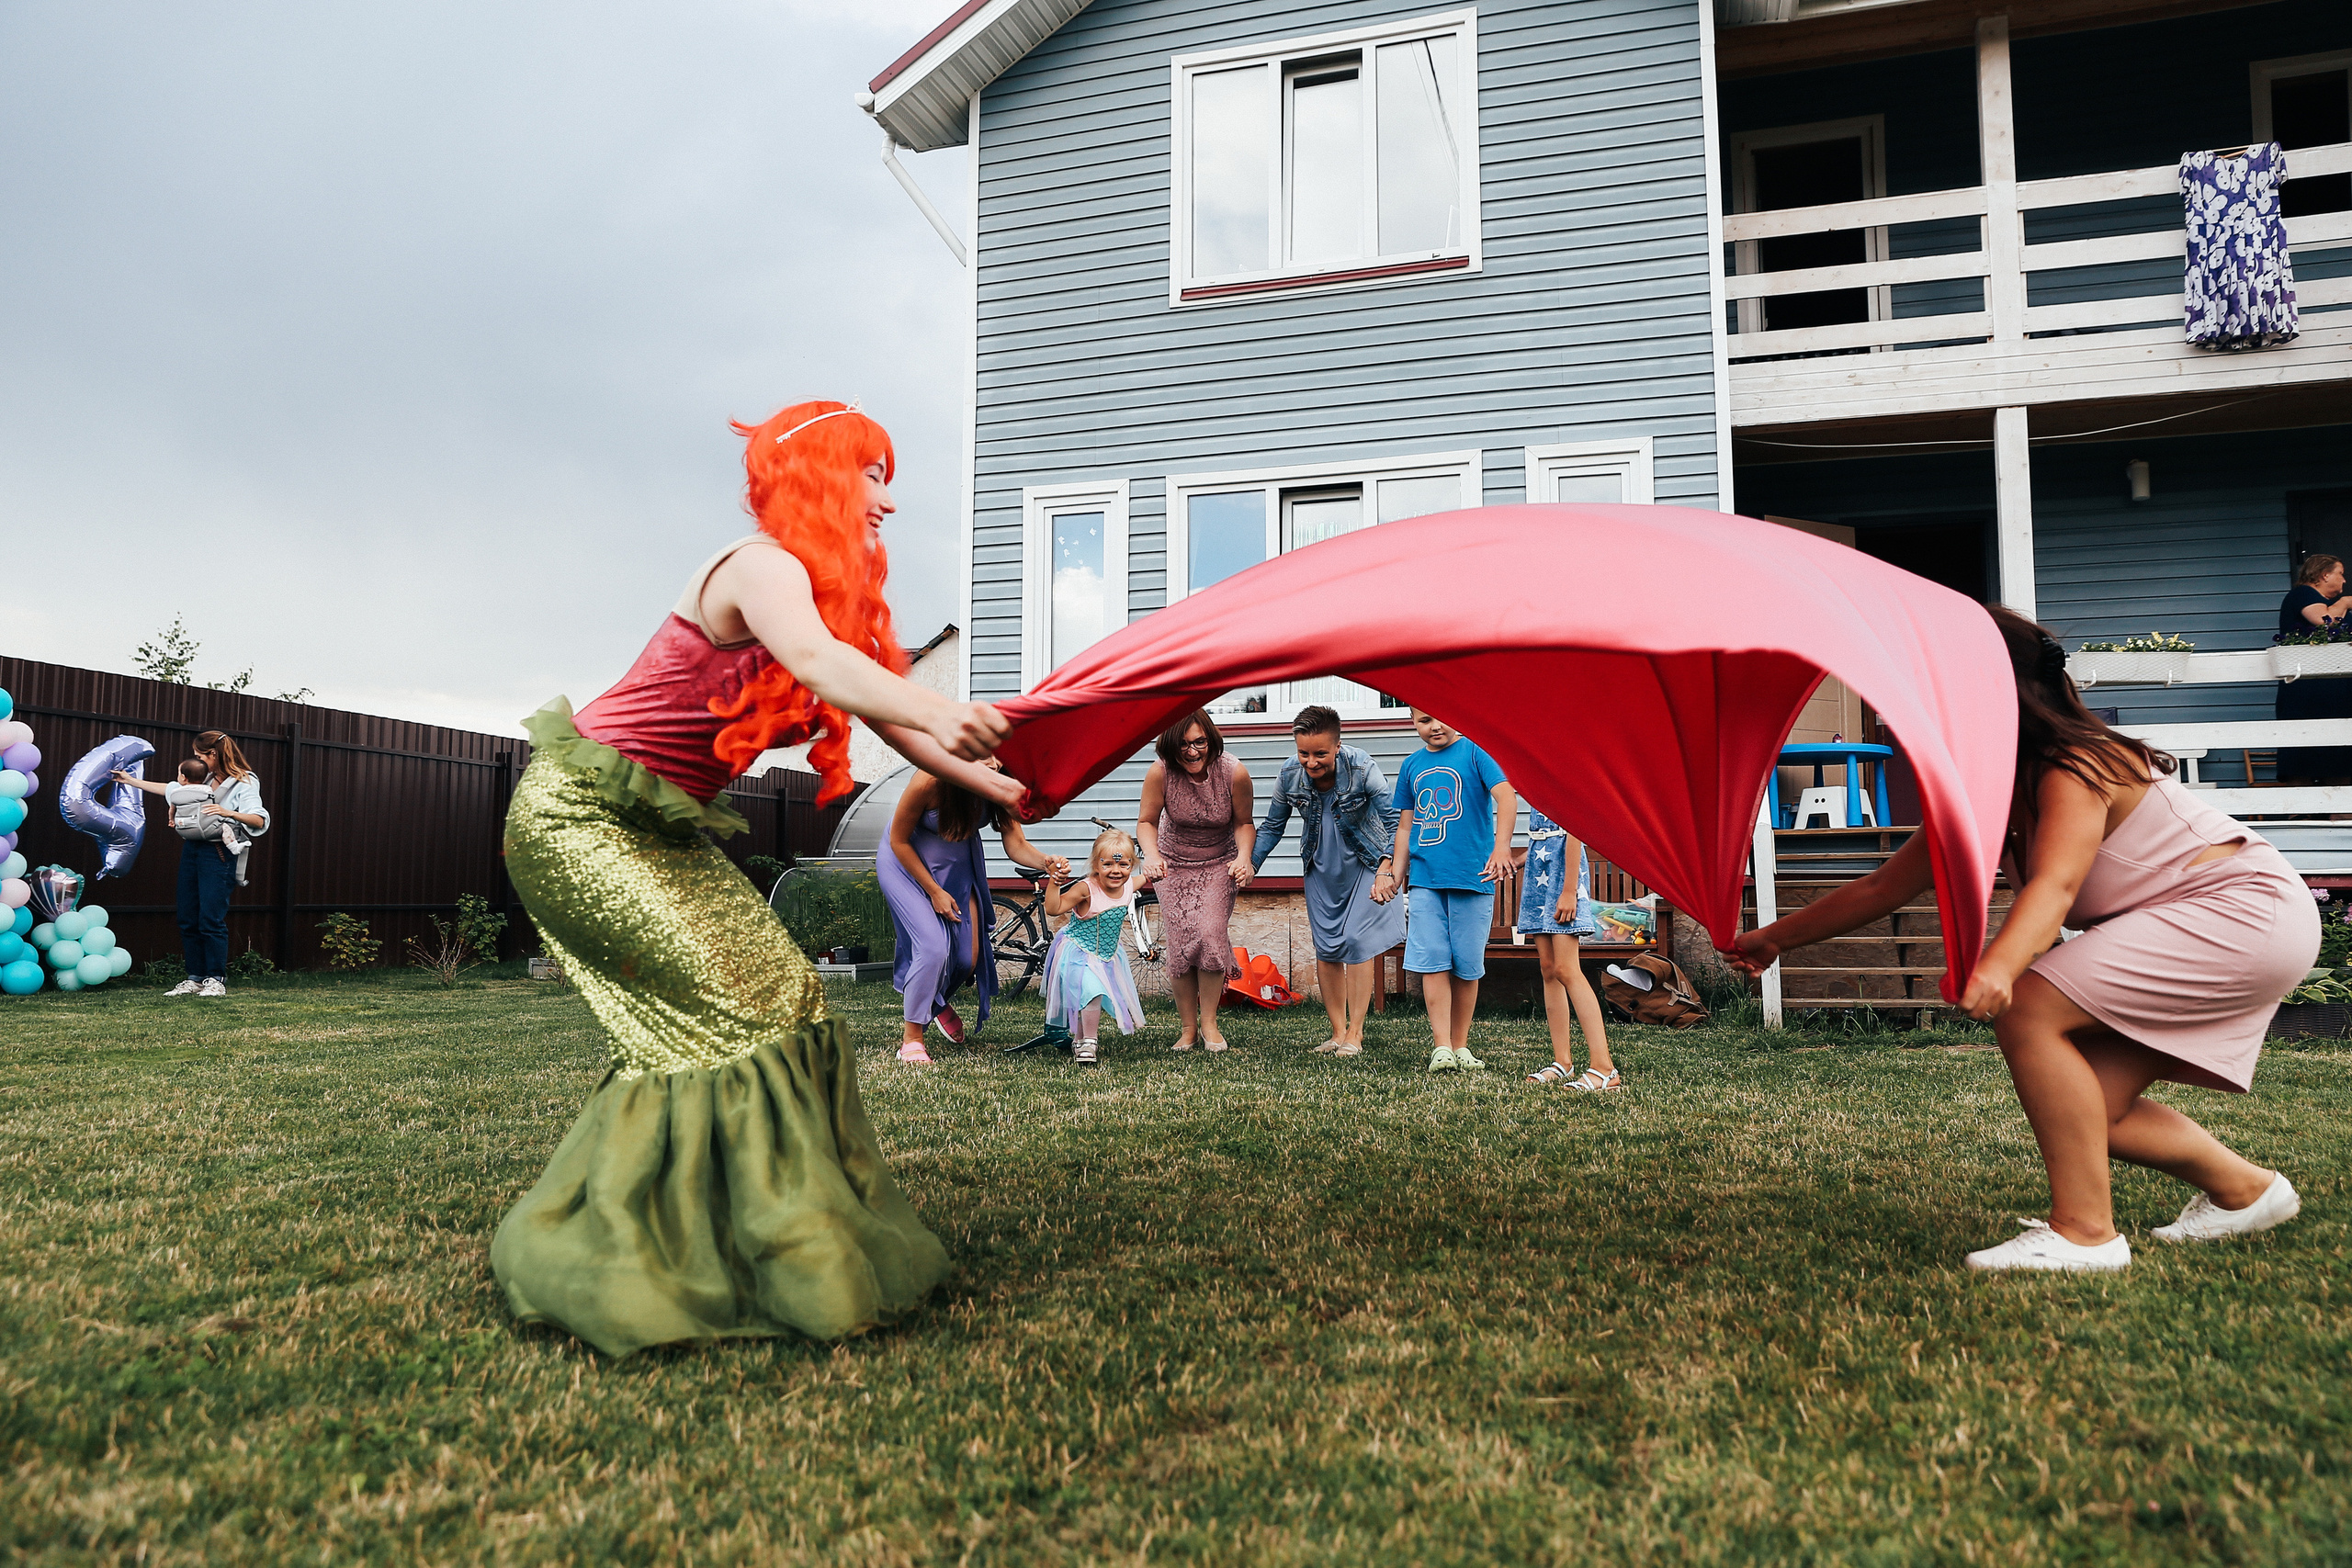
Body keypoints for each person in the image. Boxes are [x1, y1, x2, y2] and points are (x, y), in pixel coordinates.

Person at [489, 400, 1024, 1359]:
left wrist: (1000, 779)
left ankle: (745, 1240)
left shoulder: (818, 596)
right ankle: (637, 1246)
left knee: (785, 998)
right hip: (582, 817)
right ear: (822, 472)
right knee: (727, 1015)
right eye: (871, 475)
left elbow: (885, 714)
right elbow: (824, 665)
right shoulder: (758, 567)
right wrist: (945, 717)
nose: (887, 503)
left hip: (659, 829)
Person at [1733, 605, 2311, 1272]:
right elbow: (1882, 888)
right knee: (2086, 1101)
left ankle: (2086, 1233)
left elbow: (2056, 887)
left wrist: (2005, 965)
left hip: (2239, 910)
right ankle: (2246, 1190)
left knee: (2032, 1007)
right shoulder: (1991, 792)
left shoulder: (2077, 763)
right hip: (2225, 919)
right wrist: (1773, 939)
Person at [879, 761, 1068, 1065]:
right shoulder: (930, 779)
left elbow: (1016, 842)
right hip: (904, 864)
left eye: (996, 753)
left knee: (968, 958)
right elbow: (898, 840)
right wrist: (934, 891)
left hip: (957, 863)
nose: (991, 762)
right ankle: (912, 1039)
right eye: (981, 754)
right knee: (932, 947)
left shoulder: (1001, 782)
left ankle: (935, 1002)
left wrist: (1045, 861)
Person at [1251, 705, 1404, 1057]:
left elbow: (1394, 820)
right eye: (1303, 753)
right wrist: (1252, 863)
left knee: (1356, 941)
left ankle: (1356, 1032)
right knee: (1328, 947)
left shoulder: (1362, 766)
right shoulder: (1289, 773)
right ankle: (1337, 1031)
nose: (1311, 761)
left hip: (1367, 861)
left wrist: (1387, 866)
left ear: (1338, 745)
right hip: (1321, 866)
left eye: (1320, 753)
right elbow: (1273, 825)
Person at [1376, 709, 1515, 1072]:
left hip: (1474, 877)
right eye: (1424, 720)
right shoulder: (1411, 765)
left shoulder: (1475, 752)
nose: (1434, 726)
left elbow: (1507, 798)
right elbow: (1405, 829)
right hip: (1426, 879)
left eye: (1441, 717)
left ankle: (1461, 1045)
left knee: (1467, 964)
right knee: (1432, 959)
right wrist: (1396, 874)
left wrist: (1502, 849)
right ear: (1412, 722)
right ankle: (1441, 1047)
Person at [116, 730, 269, 998]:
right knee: (188, 917)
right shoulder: (202, 778)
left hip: (219, 852)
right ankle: (195, 978)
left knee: (210, 918)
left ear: (213, 755)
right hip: (193, 850)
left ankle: (215, 979)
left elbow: (259, 820)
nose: (195, 760)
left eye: (200, 755)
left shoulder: (244, 782)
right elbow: (170, 789)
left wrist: (227, 811)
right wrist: (130, 781)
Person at [1136, 710, 1254, 1052]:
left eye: (1199, 742)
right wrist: (1151, 854)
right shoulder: (1160, 772)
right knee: (1181, 941)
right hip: (1172, 864)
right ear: (1171, 746)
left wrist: (1244, 858)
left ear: (1210, 740)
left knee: (1209, 932)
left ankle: (1210, 1024)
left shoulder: (1234, 772)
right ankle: (1187, 1029)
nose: (1192, 751)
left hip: (1220, 862)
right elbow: (1146, 821)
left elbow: (1244, 823)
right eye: (1183, 744)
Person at [1516, 807, 1618, 1090]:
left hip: (1565, 876)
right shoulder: (1536, 777)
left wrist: (1569, 890)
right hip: (1541, 871)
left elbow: (1574, 831)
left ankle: (1604, 1068)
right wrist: (1519, 861)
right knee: (1549, 969)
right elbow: (1544, 836)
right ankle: (1563, 1062)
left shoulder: (1566, 770)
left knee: (1566, 969)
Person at [1041, 828, 1146, 1066]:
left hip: (1107, 955)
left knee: (1086, 995)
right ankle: (1090, 1041)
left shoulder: (1130, 884)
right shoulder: (1086, 889)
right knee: (1092, 992)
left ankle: (1078, 1040)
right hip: (1078, 952)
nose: (1116, 871)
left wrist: (1156, 871)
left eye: (1124, 865)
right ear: (1096, 865)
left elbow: (1145, 877)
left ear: (1132, 865)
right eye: (1108, 864)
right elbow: (1053, 908)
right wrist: (1055, 884)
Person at [2273, 553, 2352, 783]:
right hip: (2308, 694)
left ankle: (2340, 815)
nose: (2344, 580)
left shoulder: (2328, 603)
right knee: (2303, 756)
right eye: (2340, 573)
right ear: (2324, 575)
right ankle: (2301, 813)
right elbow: (2326, 624)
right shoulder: (2303, 594)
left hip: (2332, 694)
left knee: (2339, 757)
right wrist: (2345, 602)